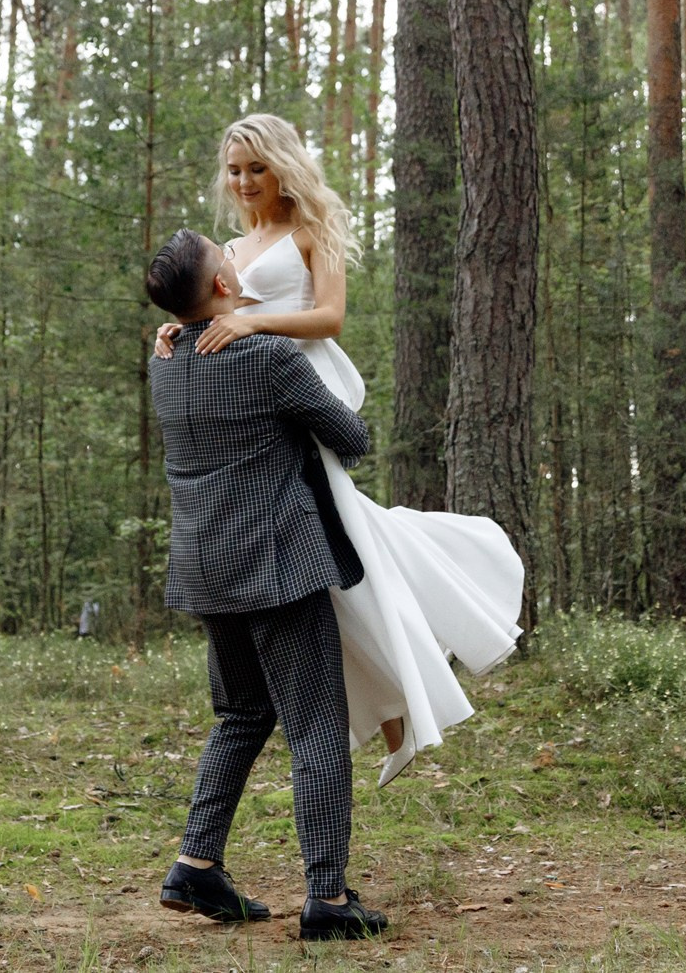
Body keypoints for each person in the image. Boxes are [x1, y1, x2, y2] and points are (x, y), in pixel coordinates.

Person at [158, 113, 523, 786]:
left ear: (282, 166)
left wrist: (251, 320)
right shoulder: (234, 248)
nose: (243, 182)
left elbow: (329, 317)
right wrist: (174, 328)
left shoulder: (309, 230)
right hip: (263, 423)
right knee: (341, 567)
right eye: (235, 170)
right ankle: (397, 710)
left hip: (307, 405)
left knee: (352, 556)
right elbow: (212, 313)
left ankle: (409, 697)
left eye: (256, 169)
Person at [144, 227, 389, 941]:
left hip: (205, 564)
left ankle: (195, 863)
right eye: (224, 256)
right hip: (277, 562)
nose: (233, 254)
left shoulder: (163, 358)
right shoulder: (268, 357)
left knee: (243, 714)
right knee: (315, 726)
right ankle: (327, 899)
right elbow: (353, 437)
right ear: (222, 286)